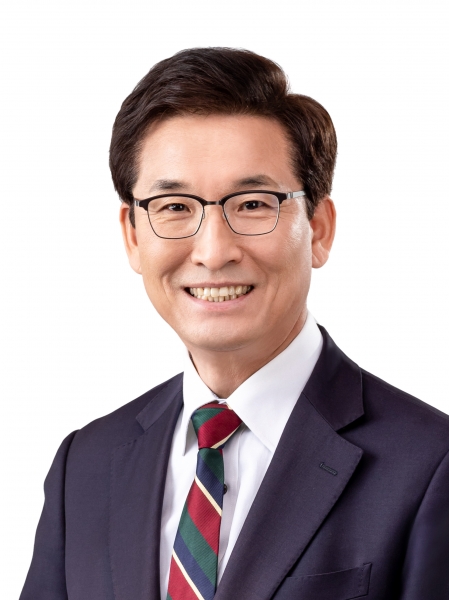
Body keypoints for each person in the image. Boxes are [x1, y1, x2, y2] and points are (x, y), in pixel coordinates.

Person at [20, 47, 449, 600]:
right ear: (132, 235)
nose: (213, 251)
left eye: (251, 204)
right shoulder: (85, 467)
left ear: (319, 228)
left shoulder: (430, 465)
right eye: (175, 207)